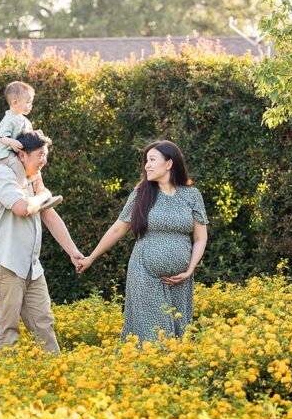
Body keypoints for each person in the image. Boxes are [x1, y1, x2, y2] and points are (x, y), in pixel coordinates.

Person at [77, 140, 208, 344]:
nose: (147, 165)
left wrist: (190, 269)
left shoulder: (191, 195)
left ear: (169, 163)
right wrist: (91, 257)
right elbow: (118, 228)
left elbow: (200, 238)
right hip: (145, 275)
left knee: (179, 337)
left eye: (152, 159)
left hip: (181, 279)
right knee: (154, 337)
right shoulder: (141, 194)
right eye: (146, 160)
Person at [0, 130, 82, 352]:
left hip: (32, 270)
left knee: (44, 326)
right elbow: (23, 208)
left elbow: (49, 216)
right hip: (5, 265)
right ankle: (5, 384)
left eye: (45, 155)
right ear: (22, 155)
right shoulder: (3, 175)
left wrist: (73, 252)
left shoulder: (31, 183)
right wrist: (44, 195)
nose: (43, 161)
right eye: (40, 155)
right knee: (7, 331)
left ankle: (54, 378)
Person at [0, 81, 61, 210]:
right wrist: (11, 142)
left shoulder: (25, 120)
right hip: (7, 155)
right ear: (15, 103)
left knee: (37, 171)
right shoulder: (8, 120)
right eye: (28, 102)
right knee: (19, 170)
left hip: (19, 153)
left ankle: (40, 193)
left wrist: (37, 134)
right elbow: (2, 137)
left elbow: (29, 135)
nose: (30, 106)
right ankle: (23, 195)